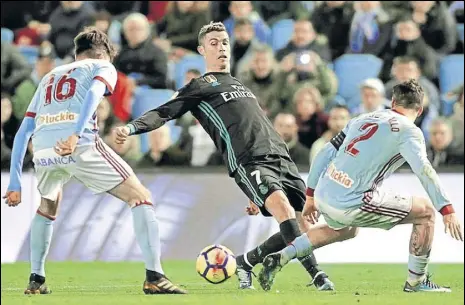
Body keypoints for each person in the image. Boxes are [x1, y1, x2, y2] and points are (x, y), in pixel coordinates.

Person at [114, 21, 334, 291]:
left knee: (301, 226)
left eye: (225, 42)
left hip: (281, 157)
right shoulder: (200, 85)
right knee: (285, 212)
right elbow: (164, 112)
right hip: (250, 160)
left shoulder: (240, 83)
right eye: (214, 43)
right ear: (201, 50)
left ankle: (246, 261)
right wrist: (131, 127)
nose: (221, 48)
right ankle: (318, 275)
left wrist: (257, 195)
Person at [2, 27, 186, 295]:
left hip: (43, 149)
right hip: (79, 144)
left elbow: (23, 131)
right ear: (103, 54)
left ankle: (37, 279)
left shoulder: (49, 76)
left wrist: (15, 180)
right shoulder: (102, 65)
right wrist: (76, 134)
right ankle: (155, 276)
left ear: (77, 54)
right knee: (141, 197)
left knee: (47, 207)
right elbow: (92, 94)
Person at [258, 79, 463, 292]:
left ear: (392, 102)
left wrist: (310, 196)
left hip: (325, 193)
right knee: (426, 212)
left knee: (347, 230)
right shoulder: (409, 131)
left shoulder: (362, 118)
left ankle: (281, 256)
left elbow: (325, 153)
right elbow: (424, 171)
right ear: (419, 109)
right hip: (351, 200)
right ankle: (416, 282)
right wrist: (446, 209)